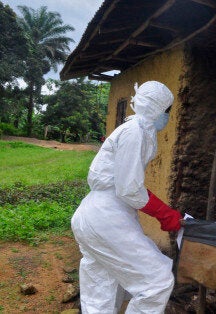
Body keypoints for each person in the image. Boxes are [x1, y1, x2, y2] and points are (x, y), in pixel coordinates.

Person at [71, 81, 182, 313]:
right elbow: (128, 188)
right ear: (157, 108)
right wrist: (164, 213)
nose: (168, 116)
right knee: (157, 280)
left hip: (93, 213)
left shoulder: (134, 130)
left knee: (101, 288)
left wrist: (161, 210)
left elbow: (126, 183)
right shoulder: (136, 131)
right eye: (167, 110)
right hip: (106, 215)